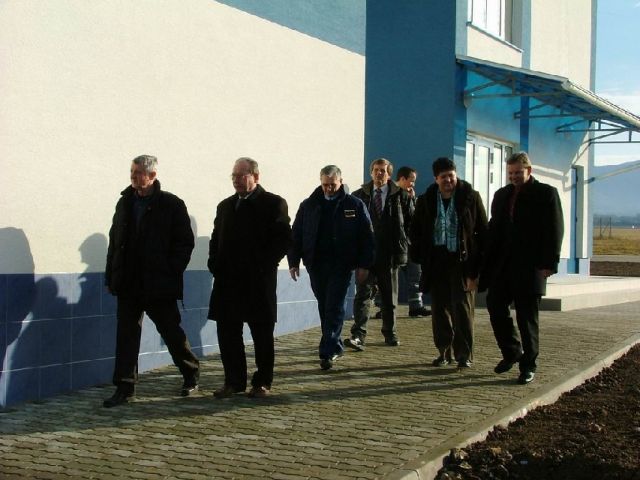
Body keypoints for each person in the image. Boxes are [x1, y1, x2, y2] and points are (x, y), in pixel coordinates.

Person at [103, 155, 200, 408]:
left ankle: (190, 371)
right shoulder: (125, 203)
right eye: (132, 172)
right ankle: (124, 387)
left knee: (170, 332)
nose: (133, 177)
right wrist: (110, 276)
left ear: (152, 175)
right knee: (126, 336)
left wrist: (170, 270)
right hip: (129, 282)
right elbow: (115, 242)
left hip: (158, 283)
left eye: (138, 173)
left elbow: (184, 243)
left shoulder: (171, 204)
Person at [207, 157, 291, 398]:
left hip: (258, 282)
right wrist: (214, 263)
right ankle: (233, 381)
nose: (236, 180)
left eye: (241, 175)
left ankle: (262, 382)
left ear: (256, 176)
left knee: (261, 334)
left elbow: (283, 239)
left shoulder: (273, 203)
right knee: (228, 333)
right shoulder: (225, 206)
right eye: (233, 176)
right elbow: (216, 238)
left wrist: (263, 266)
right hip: (227, 281)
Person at [480, 151, 564, 385]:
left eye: (518, 172)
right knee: (495, 305)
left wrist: (549, 263)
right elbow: (495, 228)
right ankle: (512, 352)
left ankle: (528, 365)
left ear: (529, 171)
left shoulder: (546, 194)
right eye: (510, 173)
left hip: (531, 267)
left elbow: (555, 229)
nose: (514, 177)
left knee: (527, 318)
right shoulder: (502, 195)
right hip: (503, 266)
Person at [288, 165, 375, 370]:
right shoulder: (309, 205)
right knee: (324, 304)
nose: (329, 189)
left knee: (334, 305)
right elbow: (296, 234)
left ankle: (327, 351)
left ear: (340, 182)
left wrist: (364, 264)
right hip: (316, 264)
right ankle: (333, 343)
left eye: (333, 185)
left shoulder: (354, 204)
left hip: (341, 264)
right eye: (325, 184)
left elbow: (367, 236)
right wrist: (293, 261)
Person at [410, 157, 487, 369]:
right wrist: (419, 255)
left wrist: (477, 269)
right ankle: (443, 351)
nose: (448, 181)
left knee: (462, 310)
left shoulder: (471, 197)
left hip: (462, 262)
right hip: (436, 262)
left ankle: (464, 354)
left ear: (456, 175)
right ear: (436, 179)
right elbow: (415, 231)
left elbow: (483, 232)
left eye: (451, 176)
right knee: (439, 310)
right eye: (443, 177)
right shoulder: (426, 200)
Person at [346, 158, 412, 350]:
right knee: (363, 295)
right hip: (366, 256)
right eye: (376, 170)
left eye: (383, 170)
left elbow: (411, 222)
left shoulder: (400, 196)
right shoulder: (359, 196)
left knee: (389, 297)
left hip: (389, 255)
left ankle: (390, 333)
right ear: (371, 172)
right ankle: (358, 335)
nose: (379, 173)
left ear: (389, 174)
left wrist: (404, 244)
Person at [396, 166, 431, 318]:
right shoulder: (394, 196)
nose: (413, 184)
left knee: (415, 275)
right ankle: (383, 308)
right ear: (402, 179)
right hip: (399, 243)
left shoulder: (409, 197)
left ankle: (416, 306)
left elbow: (416, 218)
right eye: (412, 181)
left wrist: (413, 200)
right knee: (392, 277)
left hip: (408, 243)